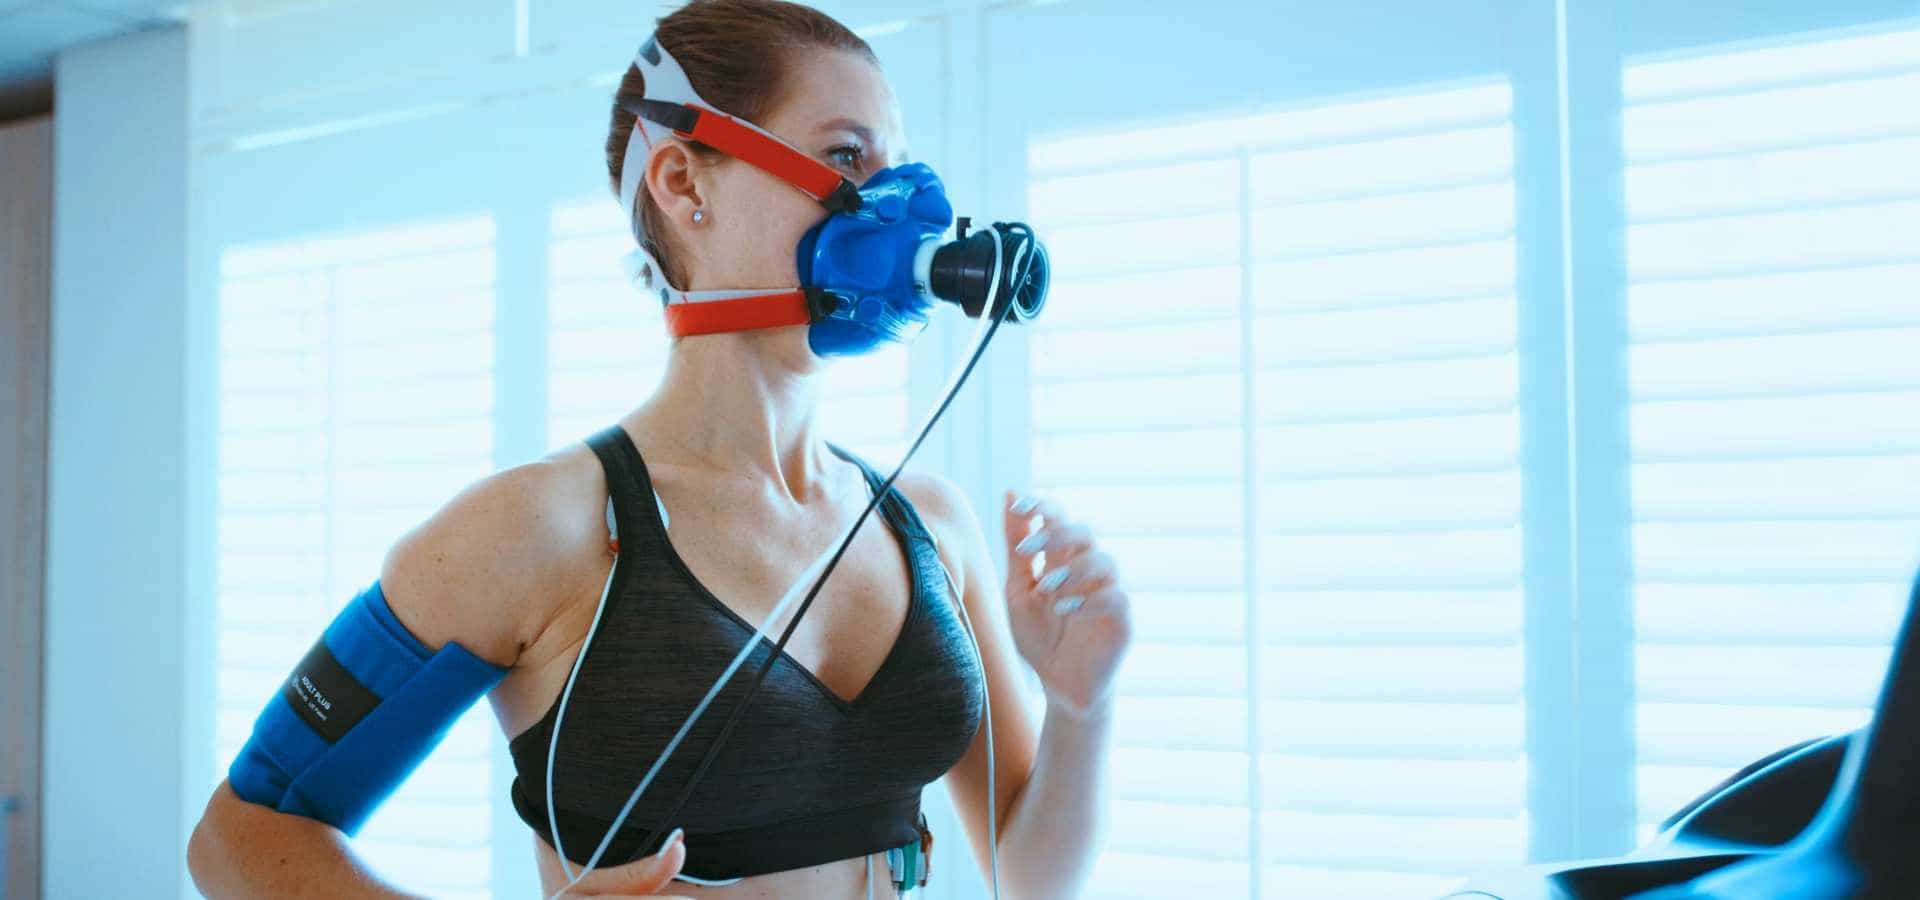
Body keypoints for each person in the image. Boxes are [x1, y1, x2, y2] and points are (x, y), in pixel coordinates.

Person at [186, 1, 1133, 897]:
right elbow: (237, 837)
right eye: (847, 155)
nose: (904, 207)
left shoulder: (932, 525)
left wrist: (1082, 707)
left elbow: (1029, 875)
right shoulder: (538, 529)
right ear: (682, 181)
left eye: (900, 165)